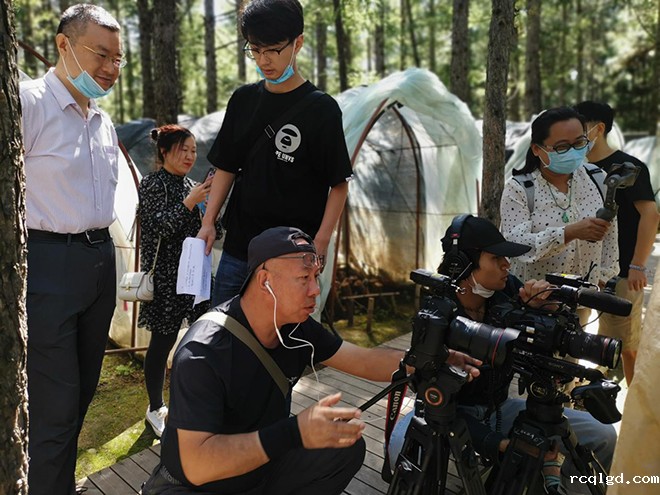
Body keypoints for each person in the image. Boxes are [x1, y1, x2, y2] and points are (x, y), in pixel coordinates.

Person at [140, 226, 481, 494]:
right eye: (304, 279)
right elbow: (198, 464)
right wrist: (295, 432)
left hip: (258, 468)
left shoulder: (295, 327)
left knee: (344, 447)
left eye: (315, 277)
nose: (315, 289)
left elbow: (364, 361)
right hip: (198, 485)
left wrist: (429, 360)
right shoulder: (204, 351)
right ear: (265, 281)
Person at [388, 215, 617, 493]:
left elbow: (544, 335)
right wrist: (497, 443)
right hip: (443, 410)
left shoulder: (506, 289)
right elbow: (438, 405)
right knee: (402, 451)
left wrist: (548, 309)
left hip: (500, 407)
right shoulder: (437, 313)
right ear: (462, 263)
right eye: (496, 258)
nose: (507, 265)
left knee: (603, 435)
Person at [19, 4, 124, 494]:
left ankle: (55, 480)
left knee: (81, 393)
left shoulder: (102, 120)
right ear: (64, 45)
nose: (111, 68)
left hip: (100, 261)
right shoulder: (29, 105)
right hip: (48, 262)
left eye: (118, 59)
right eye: (101, 54)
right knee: (53, 404)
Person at [197, 0, 353, 306]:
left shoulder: (322, 110)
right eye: (255, 50)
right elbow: (226, 166)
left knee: (284, 332)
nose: (263, 60)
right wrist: (209, 221)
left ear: (298, 43)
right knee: (224, 328)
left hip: (291, 254)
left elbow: (339, 184)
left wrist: (321, 241)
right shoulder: (243, 100)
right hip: (239, 250)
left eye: (273, 50)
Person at [500, 106, 619, 326]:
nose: (573, 152)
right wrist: (568, 233)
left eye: (579, 143)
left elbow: (610, 233)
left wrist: (602, 277)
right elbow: (515, 245)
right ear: (537, 149)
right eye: (562, 147)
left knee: (575, 346)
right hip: (532, 301)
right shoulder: (519, 189)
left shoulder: (597, 179)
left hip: (579, 301)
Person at [574, 101, 659, 386]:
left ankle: (634, 405)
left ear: (598, 129)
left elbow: (650, 215)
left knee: (626, 347)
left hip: (620, 273)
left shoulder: (629, 168)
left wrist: (637, 265)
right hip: (578, 272)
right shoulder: (574, 168)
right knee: (574, 341)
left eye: (581, 128)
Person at [138, 125, 214, 437]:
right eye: (183, 149)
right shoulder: (152, 183)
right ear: (164, 151)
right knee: (162, 343)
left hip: (195, 276)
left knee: (199, 339)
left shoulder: (193, 186)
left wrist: (209, 211)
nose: (189, 156)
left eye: (193, 150)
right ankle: (155, 407)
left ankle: (191, 402)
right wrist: (190, 202)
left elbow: (211, 231)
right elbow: (159, 228)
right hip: (166, 278)